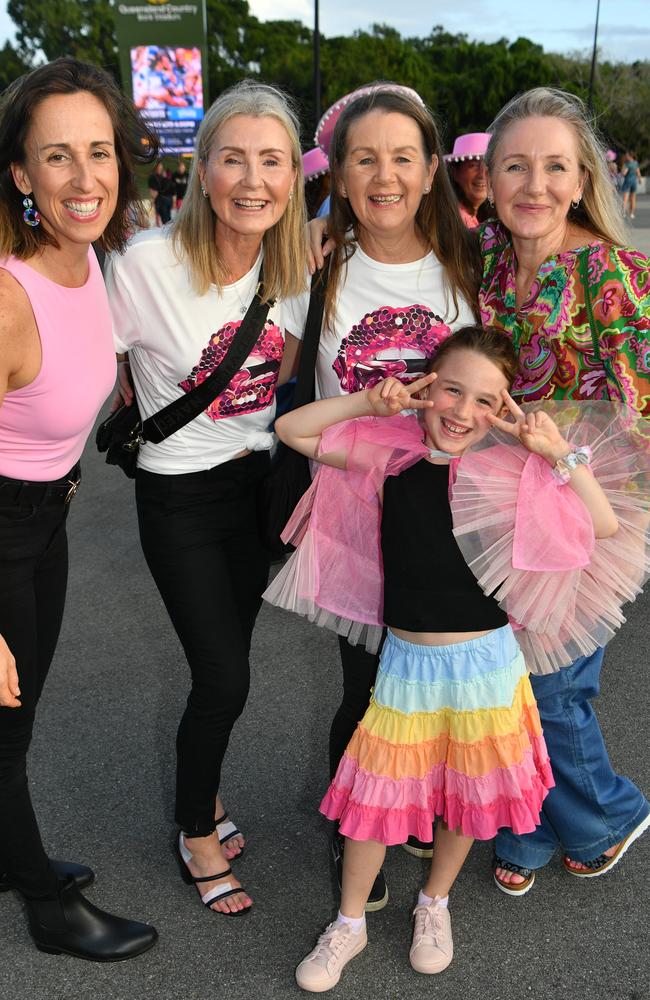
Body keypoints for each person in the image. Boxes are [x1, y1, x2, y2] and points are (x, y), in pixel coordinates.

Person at [271, 326, 623, 991]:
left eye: (485, 401)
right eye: (451, 390)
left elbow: (601, 525)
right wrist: (365, 404)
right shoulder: (392, 457)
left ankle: (435, 902)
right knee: (373, 799)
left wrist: (555, 452)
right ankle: (350, 921)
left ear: (504, 411)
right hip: (406, 666)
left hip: (487, 669)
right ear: (426, 388)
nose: (463, 412)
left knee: (466, 795)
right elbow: (293, 430)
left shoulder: (510, 472)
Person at [104, 80, 306, 915]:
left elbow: (290, 383)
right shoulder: (145, 264)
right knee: (223, 677)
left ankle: (208, 798)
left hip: (257, 491)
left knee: (227, 665)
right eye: (234, 158)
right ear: (202, 168)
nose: (252, 180)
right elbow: (88, 358)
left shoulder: (295, 267)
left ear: (295, 175)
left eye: (272, 161)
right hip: (179, 495)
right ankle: (195, 829)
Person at [286, 83, 479, 907]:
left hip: (450, 522)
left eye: (404, 157)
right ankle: (355, 828)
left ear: (434, 168)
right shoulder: (312, 267)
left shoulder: (468, 265)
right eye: (365, 158)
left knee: (444, 685)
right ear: (339, 173)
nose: (386, 174)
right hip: (355, 514)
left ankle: (423, 807)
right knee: (367, 689)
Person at [0, 57, 159, 961]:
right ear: (22, 174)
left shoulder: (90, 256)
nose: (85, 177)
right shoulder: (8, 295)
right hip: (2, 534)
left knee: (16, 716)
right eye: (57, 157)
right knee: (6, 730)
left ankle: (8, 852)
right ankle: (46, 906)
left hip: (47, 517)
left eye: (98, 151)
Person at [479, 87, 650, 893]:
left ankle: (605, 812)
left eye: (554, 166)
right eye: (516, 165)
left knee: (554, 685)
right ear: (488, 177)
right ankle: (530, 829)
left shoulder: (614, 272)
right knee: (507, 677)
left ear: (582, 180)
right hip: (499, 503)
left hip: (584, 507)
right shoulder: (487, 258)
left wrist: (589, 487)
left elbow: (642, 415)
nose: (534, 185)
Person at [445, 132, 491, 228]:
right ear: (455, 173)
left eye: (488, 166)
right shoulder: (459, 221)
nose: (482, 175)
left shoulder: (466, 217)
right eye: (473, 166)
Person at [148, 160, 174, 225]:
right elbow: (152, 191)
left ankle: (167, 229)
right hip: (161, 200)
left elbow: (154, 192)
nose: (160, 168)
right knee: (164, 218)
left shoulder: (161, 177)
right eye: (159, 167)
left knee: (165, 218)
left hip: (164, 200)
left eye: (160, 167)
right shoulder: (153, 177)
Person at [620, 151, 642, 219]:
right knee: (633, 199)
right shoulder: (636, 163)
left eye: (627, 155)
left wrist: (623, 168)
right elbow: (638, 172)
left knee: (625, 198)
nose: (626, 156)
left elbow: (624, 173)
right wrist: (639, 179)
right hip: (634, 182)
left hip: (627, 182)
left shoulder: (627, 164)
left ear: (630, 156)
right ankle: (632, 213)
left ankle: (623, 212)